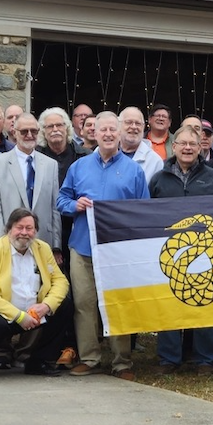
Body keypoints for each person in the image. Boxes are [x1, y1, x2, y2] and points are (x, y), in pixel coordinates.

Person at [59, 111, 149, 378]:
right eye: (103, 130)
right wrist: (75, 205)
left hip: (117, 250)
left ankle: (122, 362)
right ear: (93, 133)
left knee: (117, 303)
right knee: (84, 303)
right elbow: (61, 201)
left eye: (113, 129)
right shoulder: (78, 167)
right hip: (83, 247)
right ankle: (89, 357)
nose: (108, 134)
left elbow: (144, 211)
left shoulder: (134, 171)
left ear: (120, 133)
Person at [150, 124, 213, 373]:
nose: (186, 148)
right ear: (174, 146)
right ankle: (168, 358)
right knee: (169, 302)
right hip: (169, 249)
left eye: (192, 144)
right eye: (182, 143)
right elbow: (146, 215)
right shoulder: (159, 179)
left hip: (205, 251)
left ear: (199, 148)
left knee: (205, 301)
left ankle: (206, 358)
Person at [0, 209, 71, 376]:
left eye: (29, 228)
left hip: (35, 313)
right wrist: (18, 315)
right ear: (9, 229)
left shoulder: (43, 248)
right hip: (4, 313)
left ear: (35, 231)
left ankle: (38, 362)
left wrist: (47, 305)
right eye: (19, 227)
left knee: (64, 305)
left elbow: (60, 281)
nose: (24, 233)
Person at [0, 114, 62, 249]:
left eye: (34, 131)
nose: (29, 135)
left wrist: (56, 245)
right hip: (9, 241)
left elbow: (55, 208)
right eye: (24, 131)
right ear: (15, 132)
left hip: (43, 241)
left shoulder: (51, 165)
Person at [119, 106, 165, 180]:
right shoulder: (102, 152)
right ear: (118, 125)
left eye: (138, 123)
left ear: (143, 127)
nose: (134, 127)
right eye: (129, 122)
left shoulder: (155, 161)